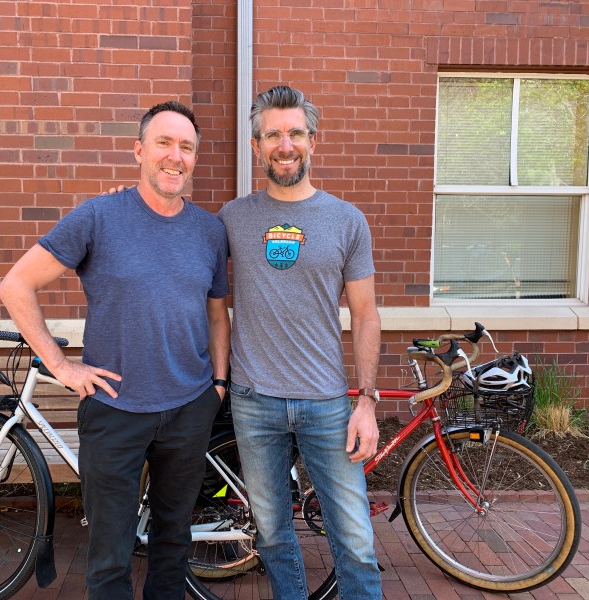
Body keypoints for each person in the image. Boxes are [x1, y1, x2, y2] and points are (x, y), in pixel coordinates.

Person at [0, 101, 230, 600]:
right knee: (109, 550)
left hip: (189, 406)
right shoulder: (99, 217)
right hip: (113, 409)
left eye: (186, 147)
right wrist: (59, 365)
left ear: (194, 159)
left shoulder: (210, 231)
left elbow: (216, 313)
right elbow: (16, 285)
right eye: (164, 143)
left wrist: (219, 384)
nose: (175, 156)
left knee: (174, 543)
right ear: (139, 151)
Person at [218, 85, 382, 598]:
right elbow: (170, 233)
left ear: (313, 140)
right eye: (273, 135)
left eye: (294, 133)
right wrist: (120, 202)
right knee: (272, 535)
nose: (284, 145)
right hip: (253, 400)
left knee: (354, 538)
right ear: (256, 145)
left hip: (328, 403)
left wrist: (367, 402)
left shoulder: (346, 220)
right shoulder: (231, 219)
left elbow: (366, 314)